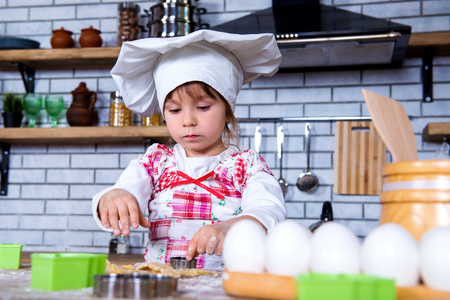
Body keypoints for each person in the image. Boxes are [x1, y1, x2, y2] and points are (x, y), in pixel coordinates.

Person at [92, 30, 287, 270]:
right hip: (161, 286)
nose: (188, 121)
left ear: (227, 110)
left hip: (225, 285)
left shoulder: (246, 167)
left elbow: (269, 210)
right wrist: (113, 198)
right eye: (175, 110)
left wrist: (234, 227)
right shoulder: (156, 162)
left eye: (203, 107)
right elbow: (125, 188)